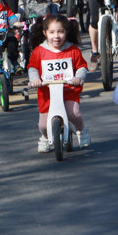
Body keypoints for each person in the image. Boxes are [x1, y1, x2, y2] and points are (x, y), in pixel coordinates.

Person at [27, 14, 90, 152]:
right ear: (45, 33)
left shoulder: (72, 50)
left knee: (74, 114)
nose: (56, 36)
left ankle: (81, 129)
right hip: (47, 93)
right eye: (52, 32)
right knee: (43, 125)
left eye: (60, 32)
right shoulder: (39, 51)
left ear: (66, 32)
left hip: (69, 90)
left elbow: (82, 67)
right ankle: (45, 137)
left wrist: (79, 78)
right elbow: (32, 67)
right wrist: (34, 79)